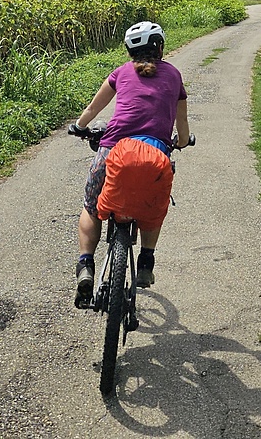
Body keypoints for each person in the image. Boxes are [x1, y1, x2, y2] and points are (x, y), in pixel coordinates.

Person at [72, 20, 190, 308]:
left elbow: (93, 109)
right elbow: (182, 127)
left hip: (113, 151)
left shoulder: (120, 73)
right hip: (155, 155)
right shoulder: (173, 76)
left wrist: (78, 126)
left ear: (129, 51)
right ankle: (146, 260)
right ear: (160, 47)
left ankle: (86, 264)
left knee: (91, 205)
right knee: (154, 208)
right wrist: (182, 141)